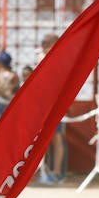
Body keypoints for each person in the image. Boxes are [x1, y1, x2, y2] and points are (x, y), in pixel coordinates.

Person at [37, 33, 66, 184]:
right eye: (43, 42)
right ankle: (44, 171)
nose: (44, 45)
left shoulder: (58, 60)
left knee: (56, 138)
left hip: (54, 105)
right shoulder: (43, 58)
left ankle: (56, 172)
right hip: (42, 104)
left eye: (47, 42)